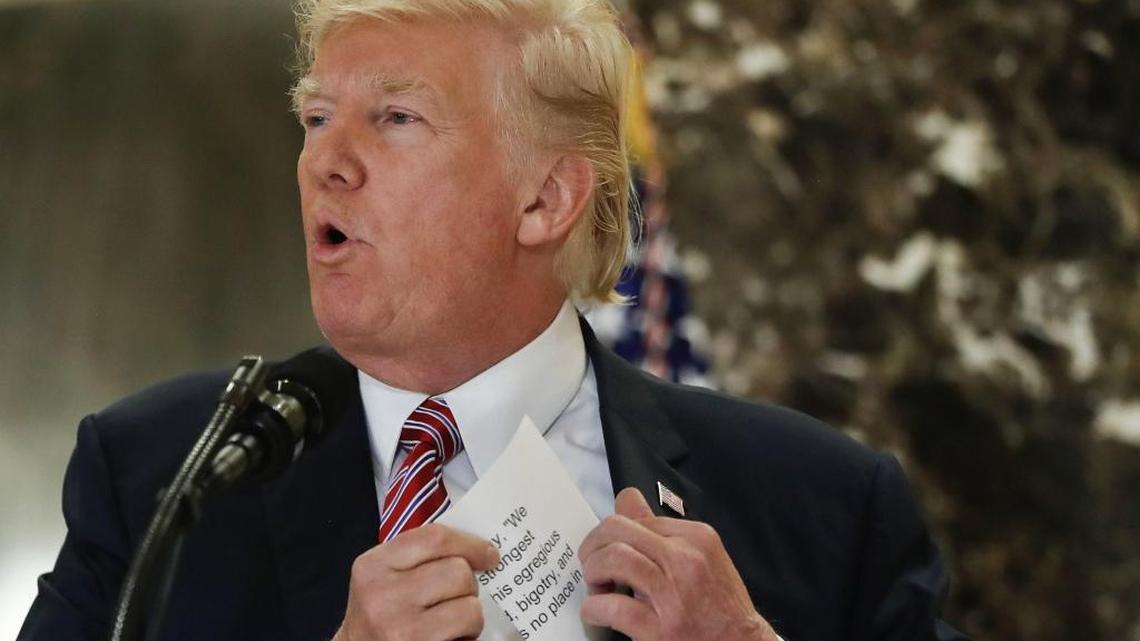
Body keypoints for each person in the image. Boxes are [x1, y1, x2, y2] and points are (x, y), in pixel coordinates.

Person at [19, 0, 969, 640]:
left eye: (395, 119)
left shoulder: (826, 506)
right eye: (316, 119)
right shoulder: (159, 476)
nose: (325, 163)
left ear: (544, 200)